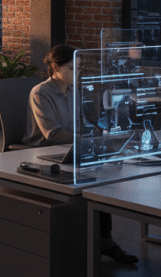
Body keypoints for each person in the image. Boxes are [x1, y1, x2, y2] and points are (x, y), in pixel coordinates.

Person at [22, 44, 139, 265]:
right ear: (55, 67)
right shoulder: (40, 93)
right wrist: (85, 137)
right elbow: (52, 134)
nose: (78, 73)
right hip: (39, 154)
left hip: (67, 150)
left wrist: (99, 134)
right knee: (92, 181)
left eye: (79, 68)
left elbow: (81, 124)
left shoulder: (73, 90)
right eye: (72, 69)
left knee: (103, 180)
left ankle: (104, 241)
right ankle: (92, 245)